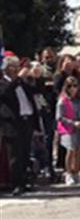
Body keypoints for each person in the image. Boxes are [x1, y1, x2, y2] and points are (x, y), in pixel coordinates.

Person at [0, 56, 37, 194]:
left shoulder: (20, 83)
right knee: (14, 156)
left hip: (25, 121)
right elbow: (5, 94)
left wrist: (32, 78)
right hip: (12, 124)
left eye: (17, 66)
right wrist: (16, 80)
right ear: (6, 69)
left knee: (24, 154)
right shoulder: (4, 83)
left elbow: (34, 91)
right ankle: (15, 183)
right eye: (13, 67)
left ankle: (24, 181)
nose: (16, 69)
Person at [56, 76, 80, 185]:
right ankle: (68, 173)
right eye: (70, 86)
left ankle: (76, 172)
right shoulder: (62, 100)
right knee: (70, 150)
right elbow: (59, 117)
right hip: (68, 128)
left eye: (75, 86)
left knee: (79, 150)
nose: (72, 88)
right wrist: (73, 123)